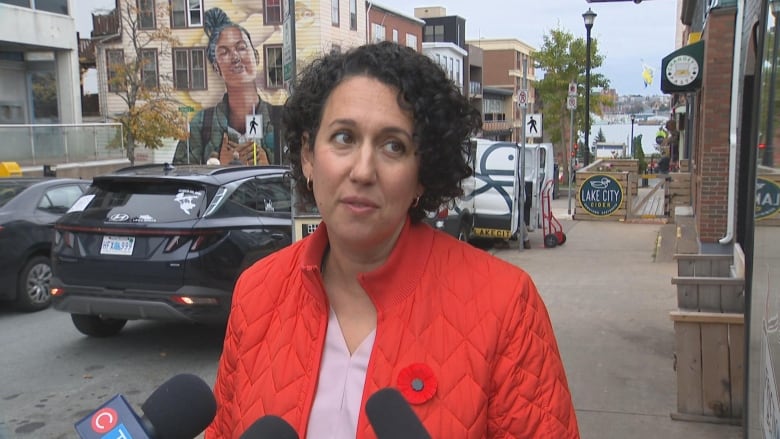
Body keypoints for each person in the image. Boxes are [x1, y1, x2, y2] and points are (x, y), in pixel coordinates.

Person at [207, 42, 579, 438]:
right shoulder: (257, 293)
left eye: (393, 146)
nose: (363, 170)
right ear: (308, 157)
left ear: (422, 174)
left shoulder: (505, 306)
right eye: (344, 137)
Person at [172, 7, 271, 166]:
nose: (235, 57)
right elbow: (181, 176)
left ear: (256, 56)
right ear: (216, 67)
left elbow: (304, 177)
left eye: (241, 47)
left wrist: (269, 169)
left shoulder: (282, 120)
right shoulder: (201, 124)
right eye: (224, 52)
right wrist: (219, 168)